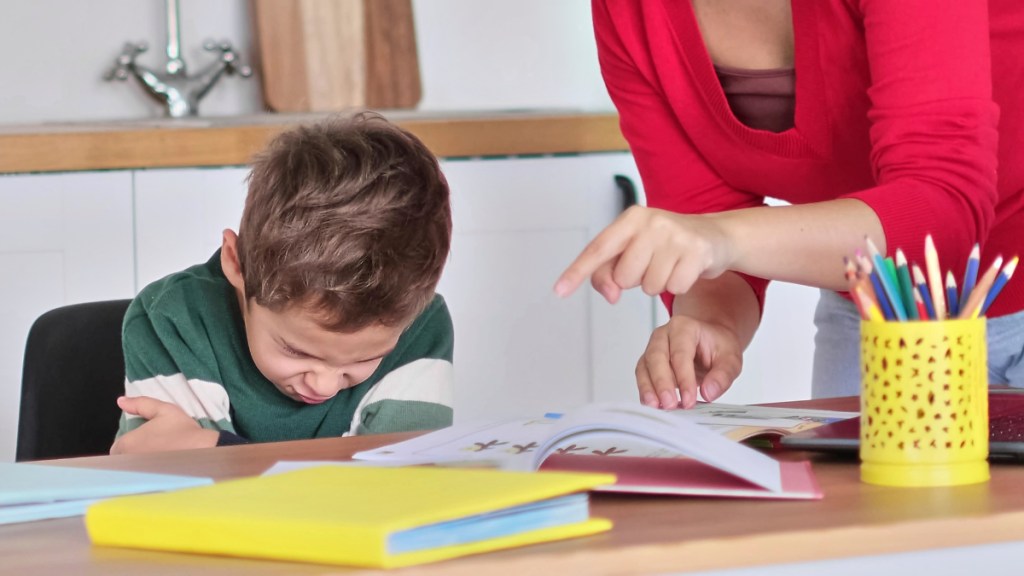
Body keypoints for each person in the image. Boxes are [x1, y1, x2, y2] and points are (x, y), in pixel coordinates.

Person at [555, 0, 1024, 409]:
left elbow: (941, 216)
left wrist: (722, 237)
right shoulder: (629, 13)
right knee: (861, 508)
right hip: (878, 307)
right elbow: (703, 220)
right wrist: (710, 322)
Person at [111, 112, 455, 454]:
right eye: (296, 350)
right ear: (237, 263)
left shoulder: (420, 325)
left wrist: (217, 447)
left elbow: (403, 489)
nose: (325, 385)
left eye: (363, 360)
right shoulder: (173, 321)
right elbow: (195, 497)